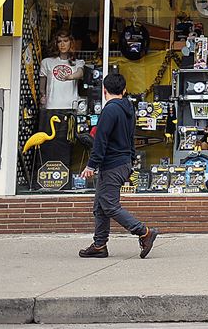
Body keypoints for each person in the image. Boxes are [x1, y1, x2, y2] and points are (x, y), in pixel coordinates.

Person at [79, 72, 158, 259]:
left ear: (104, 91)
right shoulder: (127, 108)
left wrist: (91, 165)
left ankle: (144, 232)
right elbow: (131, 138)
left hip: (112, 164)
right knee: (100, 206)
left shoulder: (110, 110)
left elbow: (101, 140)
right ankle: (99, 245)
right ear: (123, 90)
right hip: (122, 162)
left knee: (109, 205)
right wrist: (130, 161)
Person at [37, 31, 85, 182]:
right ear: (56, 44)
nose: (63, 44)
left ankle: (64, 177)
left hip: (69, 108)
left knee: (66, 143)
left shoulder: (77, 62)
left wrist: (70, 76)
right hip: (51, 107)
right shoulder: (47, 62)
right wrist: (42, 96)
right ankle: (48, 177)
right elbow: (42, 85)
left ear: (71, 43)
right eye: (59, 41)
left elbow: (80, 73)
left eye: (65, 41)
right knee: (49, 144)